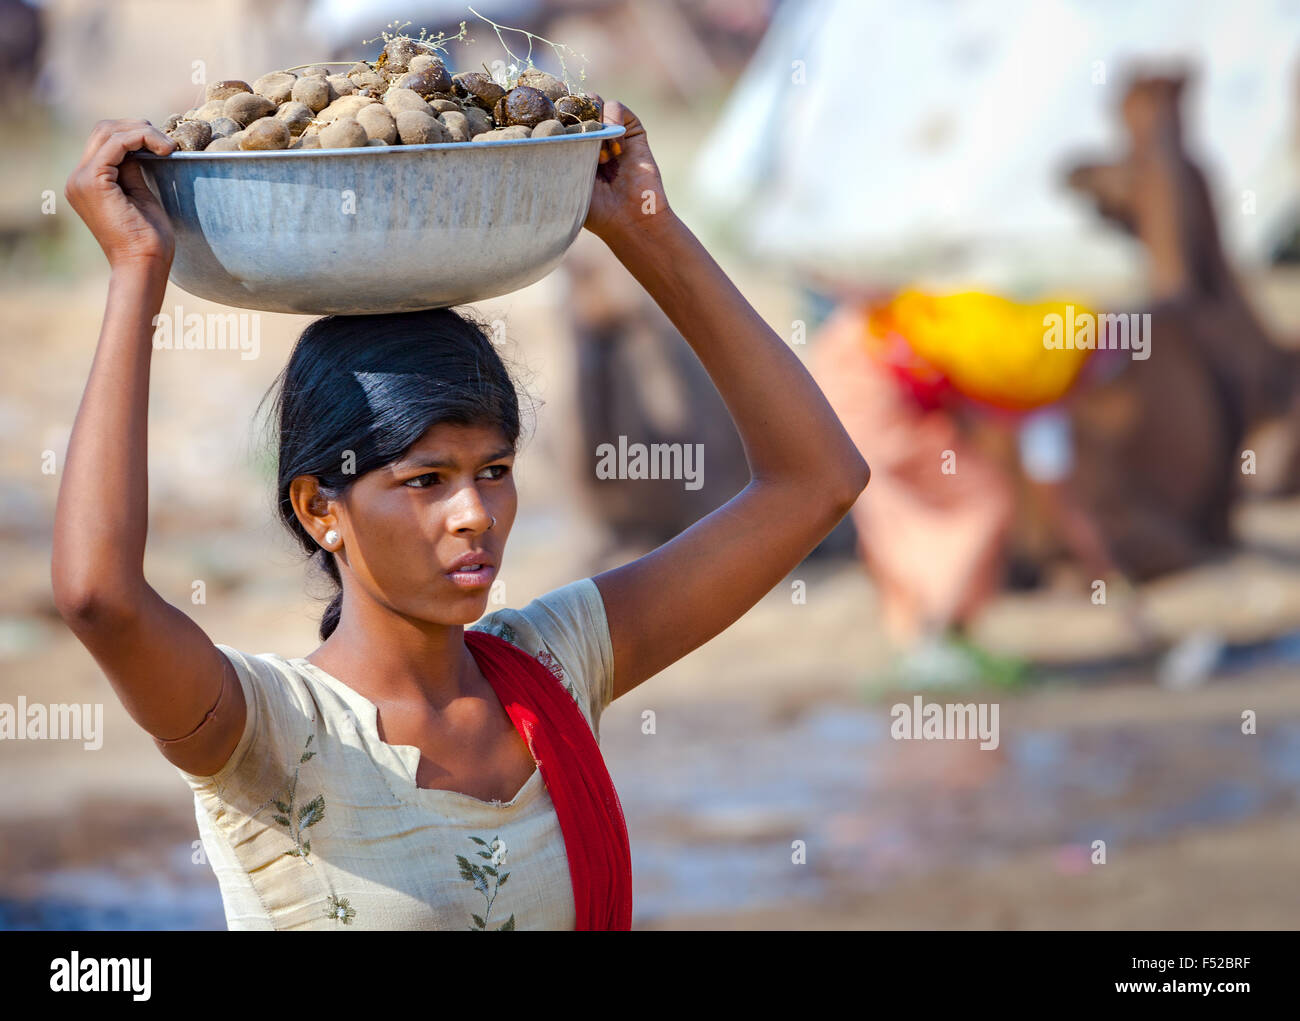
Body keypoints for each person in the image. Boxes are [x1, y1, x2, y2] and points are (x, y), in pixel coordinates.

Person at [52, 102, 870, 930]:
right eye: (425, 480)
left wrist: (646, 233)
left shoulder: (553, 666)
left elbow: (818, 482)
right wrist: (137, 271)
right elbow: (99, 598)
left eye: (496, 471)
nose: (474, 512)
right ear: (317, 508)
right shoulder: (265, 733)